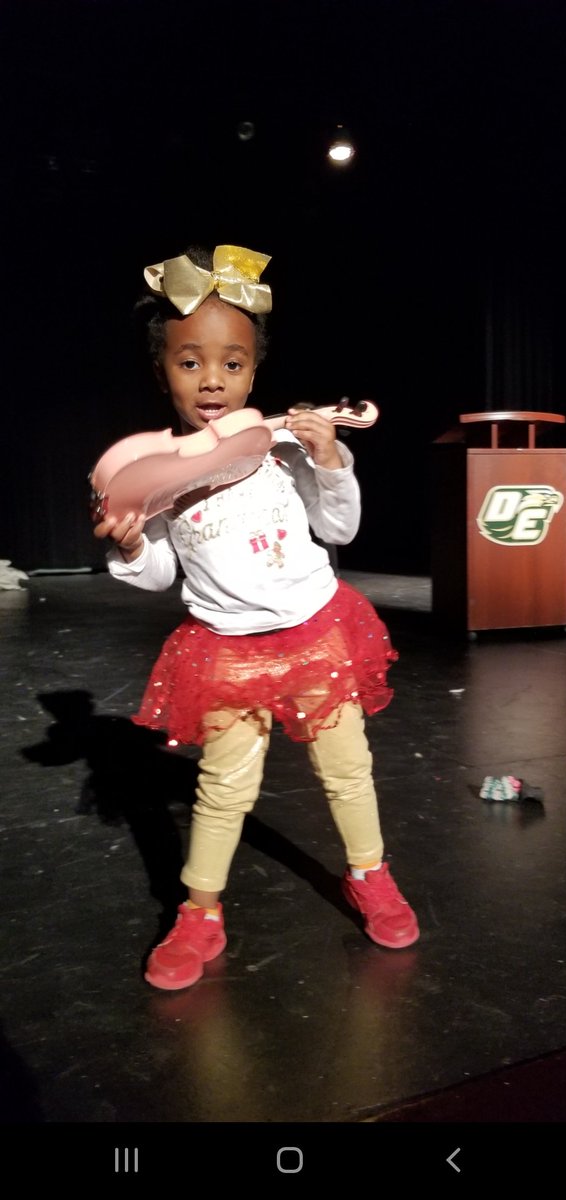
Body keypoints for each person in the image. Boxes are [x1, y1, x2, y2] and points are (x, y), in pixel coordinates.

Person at [92, 242, 419, 991]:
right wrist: (135, 541)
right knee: (222, 789)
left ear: (254, 369)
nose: (212, 380)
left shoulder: (278, 449)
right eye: (190, 363)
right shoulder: (162, 474)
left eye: (232, 364)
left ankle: (369, 874)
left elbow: (339, 529)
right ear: (163, 369)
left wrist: (332, 462)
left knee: (349, 773)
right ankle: (200, 911)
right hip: (227, 652)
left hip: (316, 634)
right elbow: (157, 574)